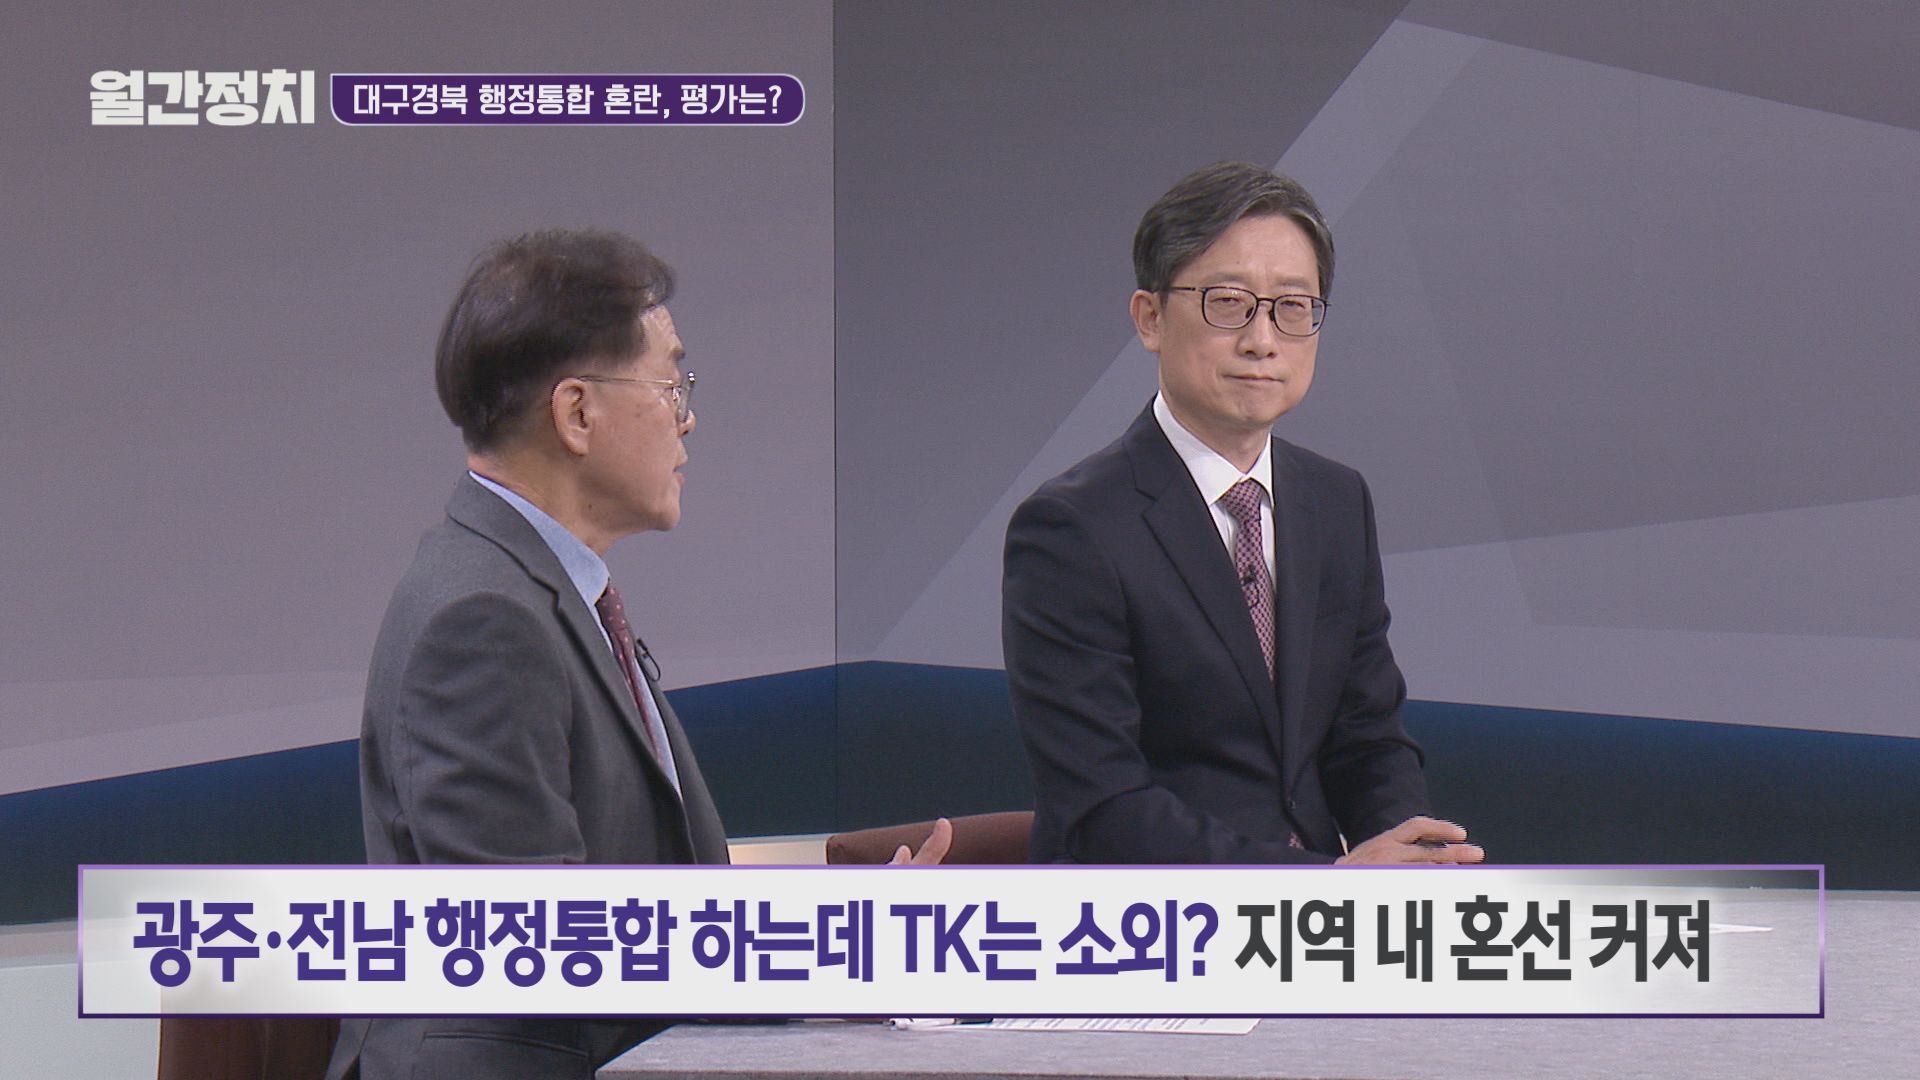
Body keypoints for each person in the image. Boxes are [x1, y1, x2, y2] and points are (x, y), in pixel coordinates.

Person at [327, 229, 945, 1080]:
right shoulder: (483, 619)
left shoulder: (534, 588)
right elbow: (549, 941)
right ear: (577, 414)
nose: (689, 418)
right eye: (669, 385)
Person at [1002, 163, 1484, 867]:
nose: (1263, 339)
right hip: (1156, 918)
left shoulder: (1335, 501)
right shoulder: (1072, 529)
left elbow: (1368, 739)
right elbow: (1105, 808)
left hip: (1329, 910)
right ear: (1149, 318)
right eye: (1228, 302)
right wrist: (1325, 885)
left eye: (1292, 306)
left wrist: (1414, 858)